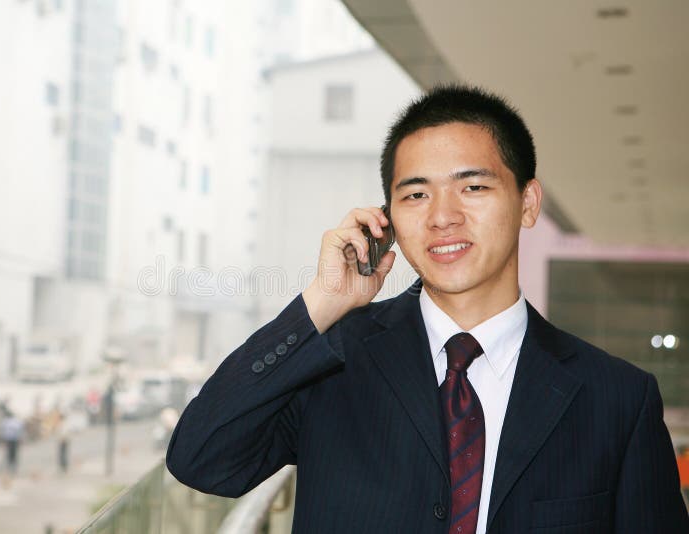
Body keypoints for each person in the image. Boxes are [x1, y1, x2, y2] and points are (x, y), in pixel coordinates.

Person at [166, 86, 689, 533]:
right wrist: (322, 304)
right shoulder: (334, 359)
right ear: (386, 216)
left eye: (473, 186)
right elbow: (203, 460)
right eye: (415, 195)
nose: (443, 216)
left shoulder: (618, 399)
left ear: (528, 203)